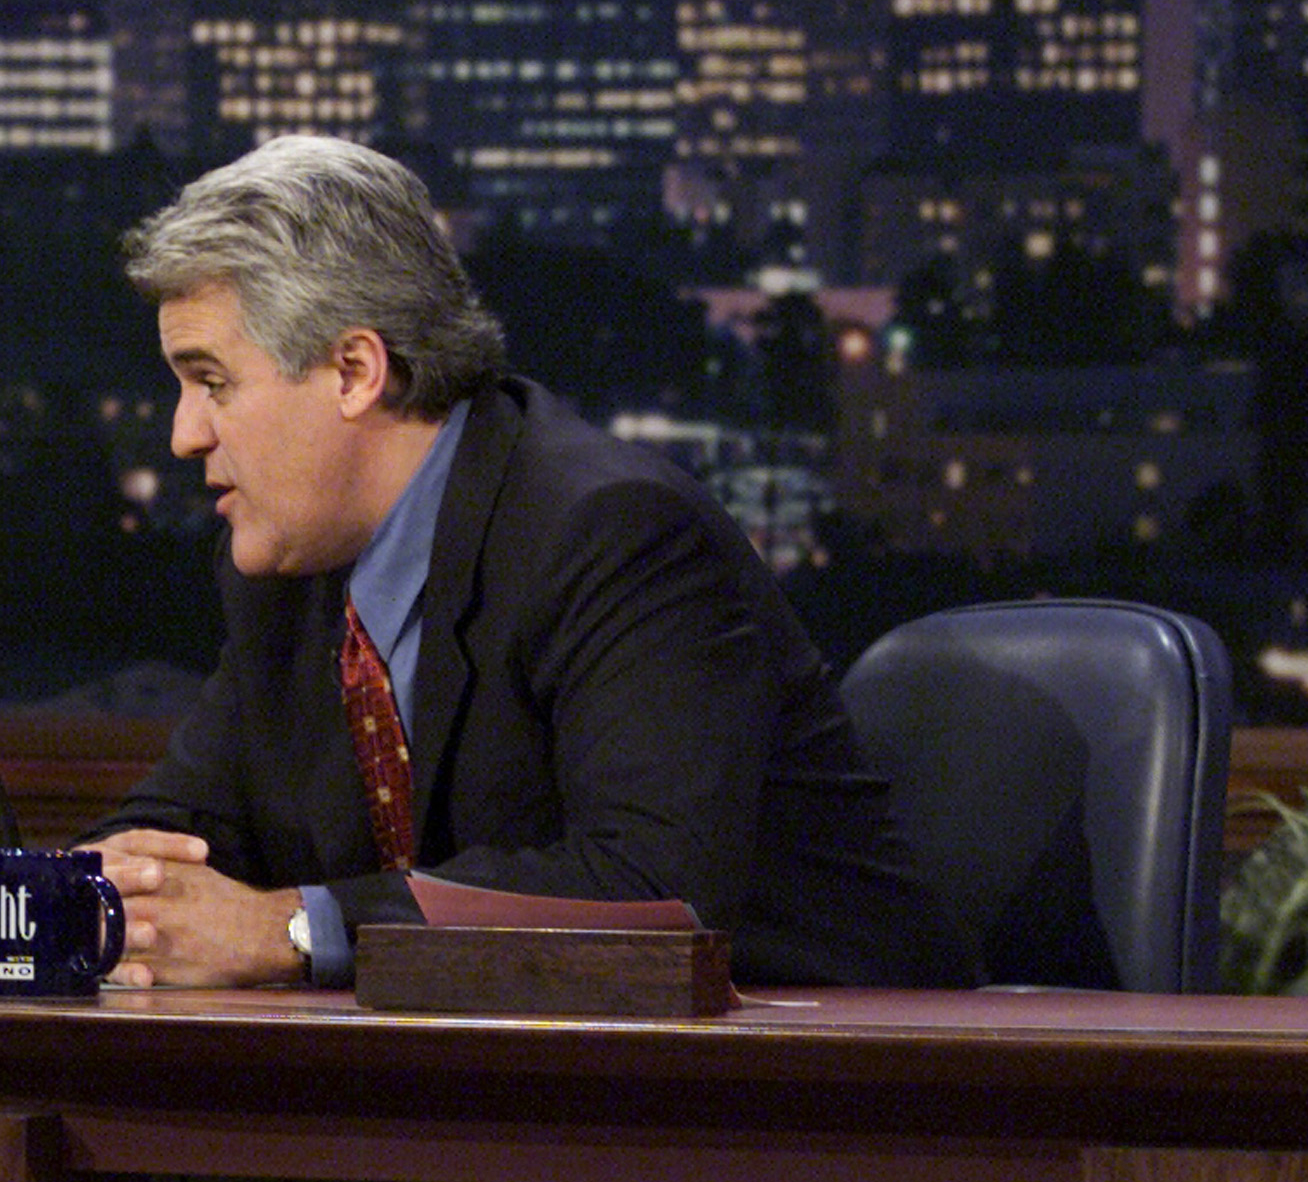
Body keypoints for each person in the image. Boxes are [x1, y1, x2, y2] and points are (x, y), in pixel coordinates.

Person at [92, 135, 972, 989]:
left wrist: (290, 930)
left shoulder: (611, 535)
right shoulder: (283, 574)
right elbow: (185, 830)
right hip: (515, 1077)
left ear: (355, 371)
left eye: (212, 382)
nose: (183, 434)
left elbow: (650, 891)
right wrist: (94, 896)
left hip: (834, 1083)